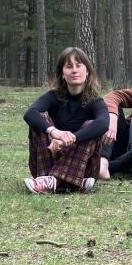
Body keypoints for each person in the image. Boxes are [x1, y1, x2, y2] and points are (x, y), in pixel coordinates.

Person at [23, 47, 108, 194]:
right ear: (62, 73)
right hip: (49, 161)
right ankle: (71, 182)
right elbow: (30, 113)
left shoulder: (95, 101)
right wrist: (54, 132)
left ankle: (52, 181)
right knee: (40, 118)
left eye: (78, 65)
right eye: (69, 67)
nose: (74, 70)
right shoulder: (53, 96)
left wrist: (70, 139)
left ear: (87, 71)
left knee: (91, 125)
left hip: (83, 167)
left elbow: (103, 123)